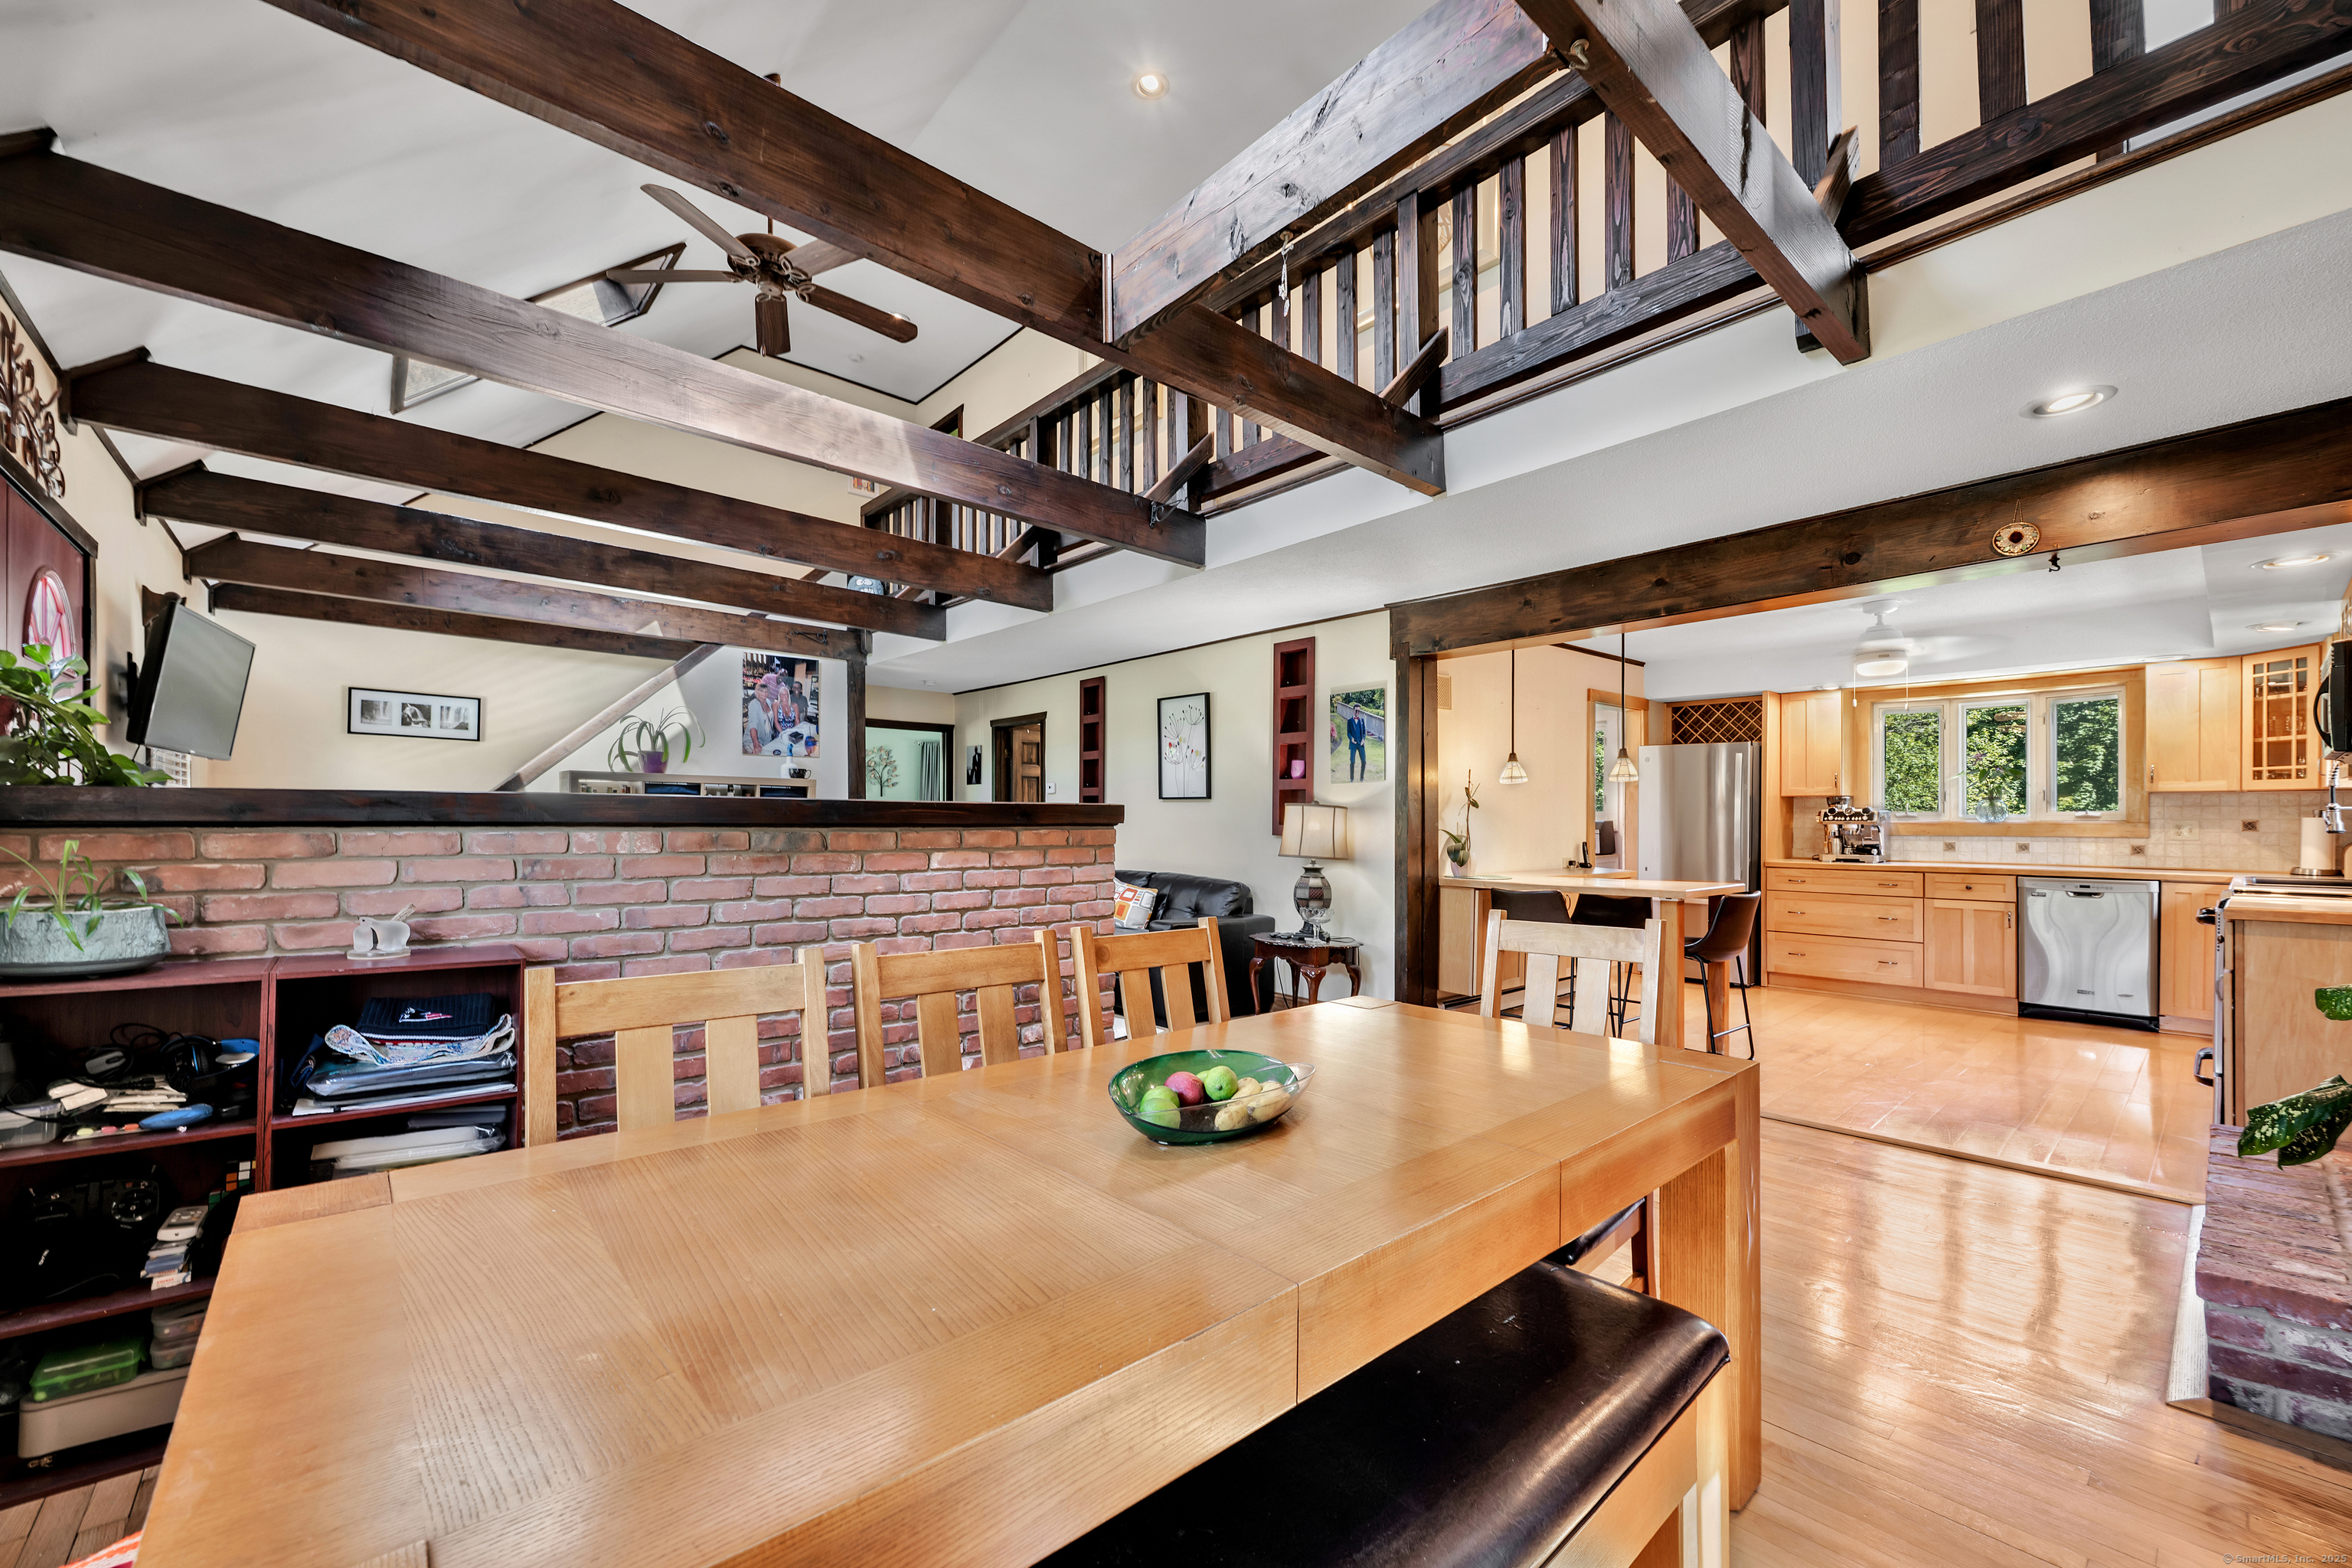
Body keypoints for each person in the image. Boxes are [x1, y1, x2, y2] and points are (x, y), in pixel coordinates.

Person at [1346, 707, 1368, 781]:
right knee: (1352, 762)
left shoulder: (1362, 720)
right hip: (1353, 744)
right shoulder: (1349, 721)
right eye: (1356, 710)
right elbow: (1348, 732)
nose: (1357, 712)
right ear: (1353, 711)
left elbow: (1364, 732)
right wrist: (1351, 738)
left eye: (1359, 711)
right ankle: (1352, 779)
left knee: (1364, 761)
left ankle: (1362, 778)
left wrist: (1363, 739)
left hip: (1360, 744)